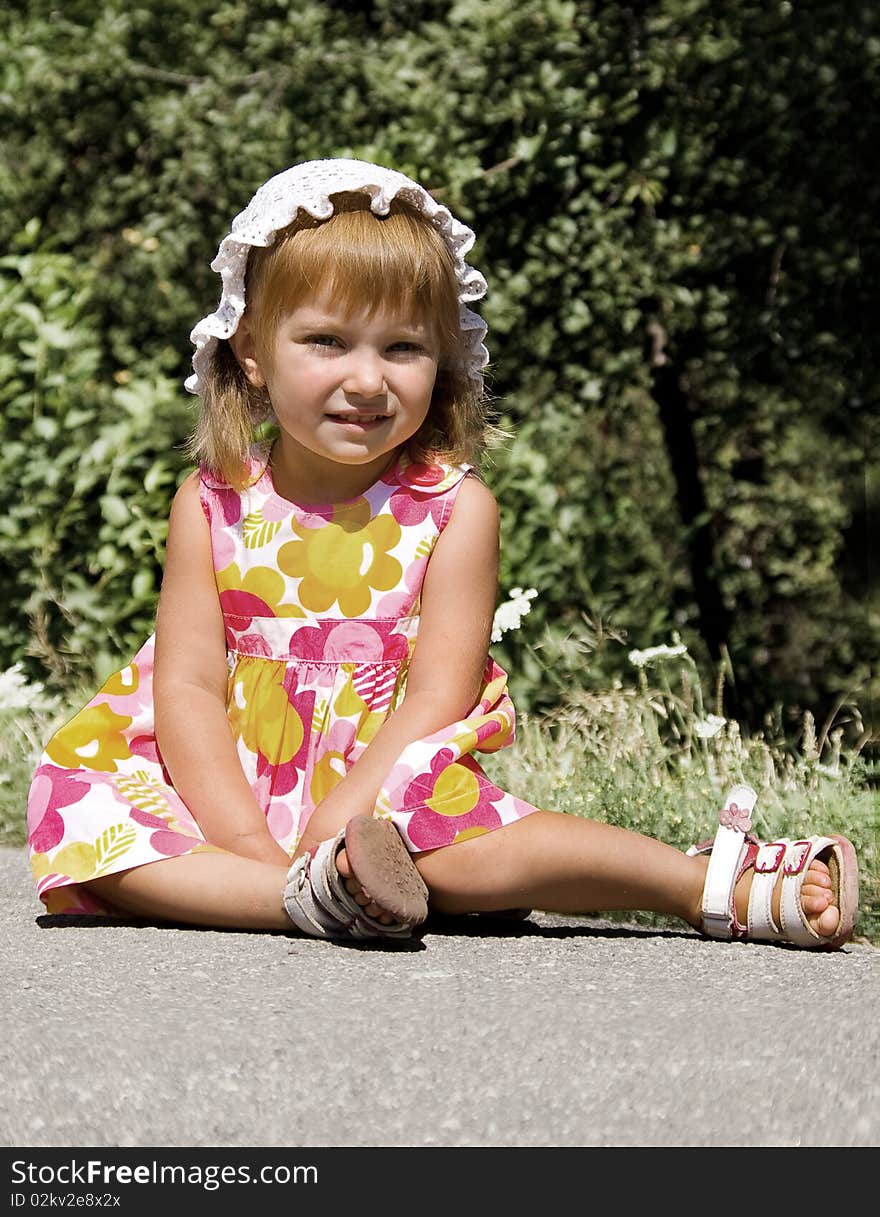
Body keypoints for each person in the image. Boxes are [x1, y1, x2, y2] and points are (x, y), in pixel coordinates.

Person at [26, 158, 858, 949]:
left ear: (442, 361)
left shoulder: (453, 509)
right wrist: (242, 835)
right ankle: (299, 899)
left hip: (386, 785)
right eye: (326, 341)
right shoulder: (211, 502)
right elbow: (186, 681)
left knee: (493, 843)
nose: (366, 379)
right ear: (251, 351)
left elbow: (439, 693)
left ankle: (704, 883)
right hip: (220, 782)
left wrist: (337, 818)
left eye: (402, 348)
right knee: (86, 814)